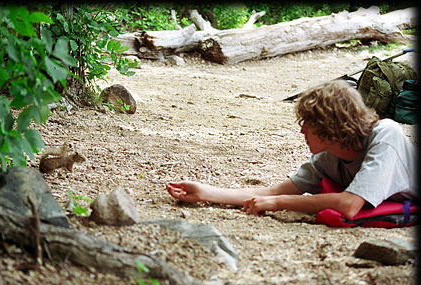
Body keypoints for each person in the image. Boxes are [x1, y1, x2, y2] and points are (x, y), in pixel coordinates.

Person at [166, 80, 418, 220]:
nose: (302, 132)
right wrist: (206, 193)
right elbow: (271, 191)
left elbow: (348, 205)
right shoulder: (326, 159)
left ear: (329, 125)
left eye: (307, 125)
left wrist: (279, 203)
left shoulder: (386, 134)